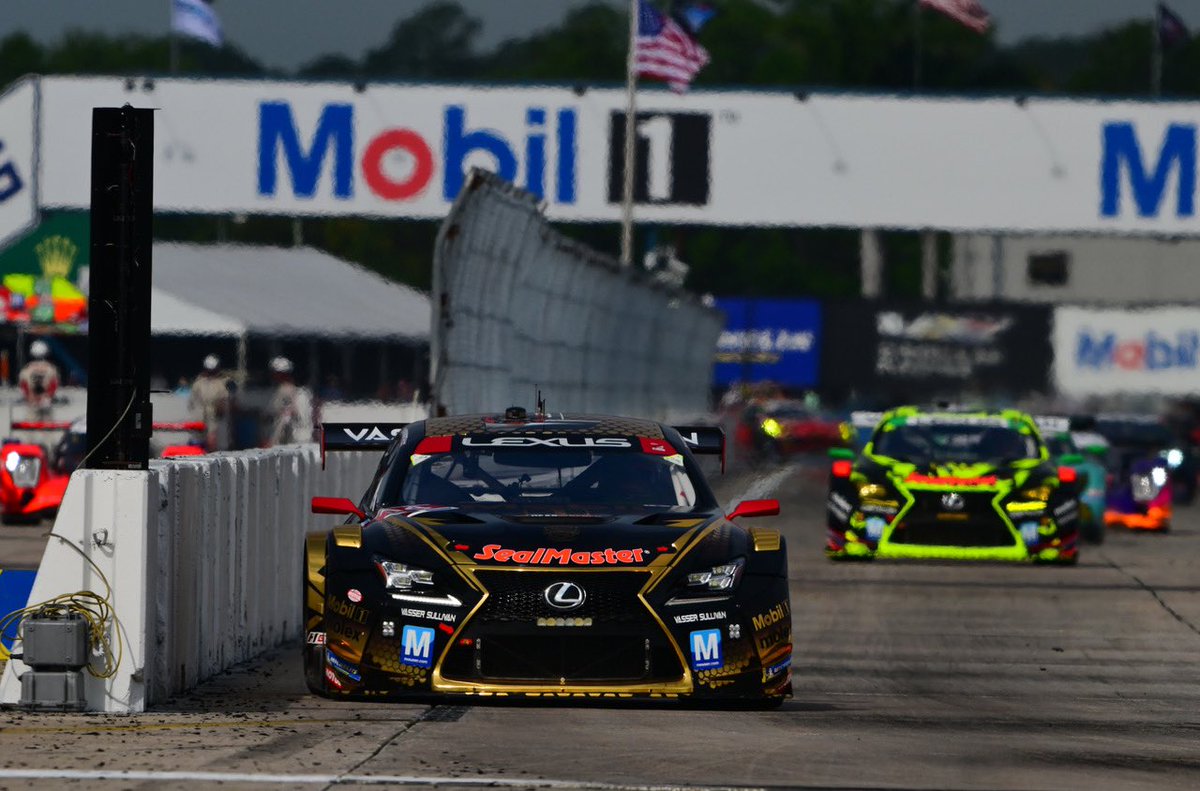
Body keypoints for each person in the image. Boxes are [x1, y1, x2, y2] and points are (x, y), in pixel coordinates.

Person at [188, 354, 235, 451]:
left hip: (218, 419)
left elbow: (226, 401)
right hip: (201, 419)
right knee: (199, 445)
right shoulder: (198, 383)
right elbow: (192, 403)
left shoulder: (223, 383)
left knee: (220, 445)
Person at [265, 356, 314, 446]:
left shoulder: (292, 392)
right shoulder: (284, 391)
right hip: (299, 438)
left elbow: (286, 417)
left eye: (276, 373)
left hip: (296, 439)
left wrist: (274, 440)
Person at [18, 339, 60, 422]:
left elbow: (24, 385)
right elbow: (54, 384)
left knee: (31, 426)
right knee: (47, 426)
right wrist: (48, 397)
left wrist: (29, 398)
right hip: (45, 401)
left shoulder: (26, 370)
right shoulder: (51, 368)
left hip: (33, 402)